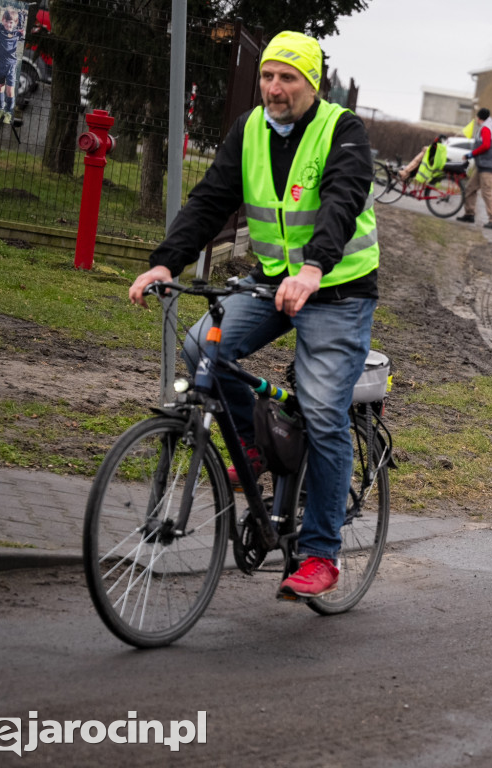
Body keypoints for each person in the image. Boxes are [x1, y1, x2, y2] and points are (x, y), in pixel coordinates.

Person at [128, 31, 379, 600]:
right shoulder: (249, 130)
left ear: (311, 85)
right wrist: (166, 263)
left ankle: (320, 552)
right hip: (272, 284)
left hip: (336, 289)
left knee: (321, 408)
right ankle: (254, 451)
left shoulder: (343, 131)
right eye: (268, 76)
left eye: (287, 78)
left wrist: (314, 267)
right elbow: (211, 199)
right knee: (201, 349)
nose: (274, 88)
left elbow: (341, 200)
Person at [456, 107, 492, 229]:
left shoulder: (486, 128)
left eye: (476, 116)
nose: (475, 118)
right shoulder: (489, 126)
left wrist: (471, 154)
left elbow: (485, 145)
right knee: (470, 188)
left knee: (487, 193)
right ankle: (469, 214)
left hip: (487, 166)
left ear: (479, 118)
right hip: (482, 165)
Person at [0, 7, 24, 124]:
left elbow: (25, 36)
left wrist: (24, 33)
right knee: (0, 87)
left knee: (10, 91)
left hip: (11, 65)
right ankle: (1, 109)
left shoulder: (17, 33)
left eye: (12, 22)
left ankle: (9, 112)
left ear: (15, 23)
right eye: (7, 21)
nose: (9, 25)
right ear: (3, 20)